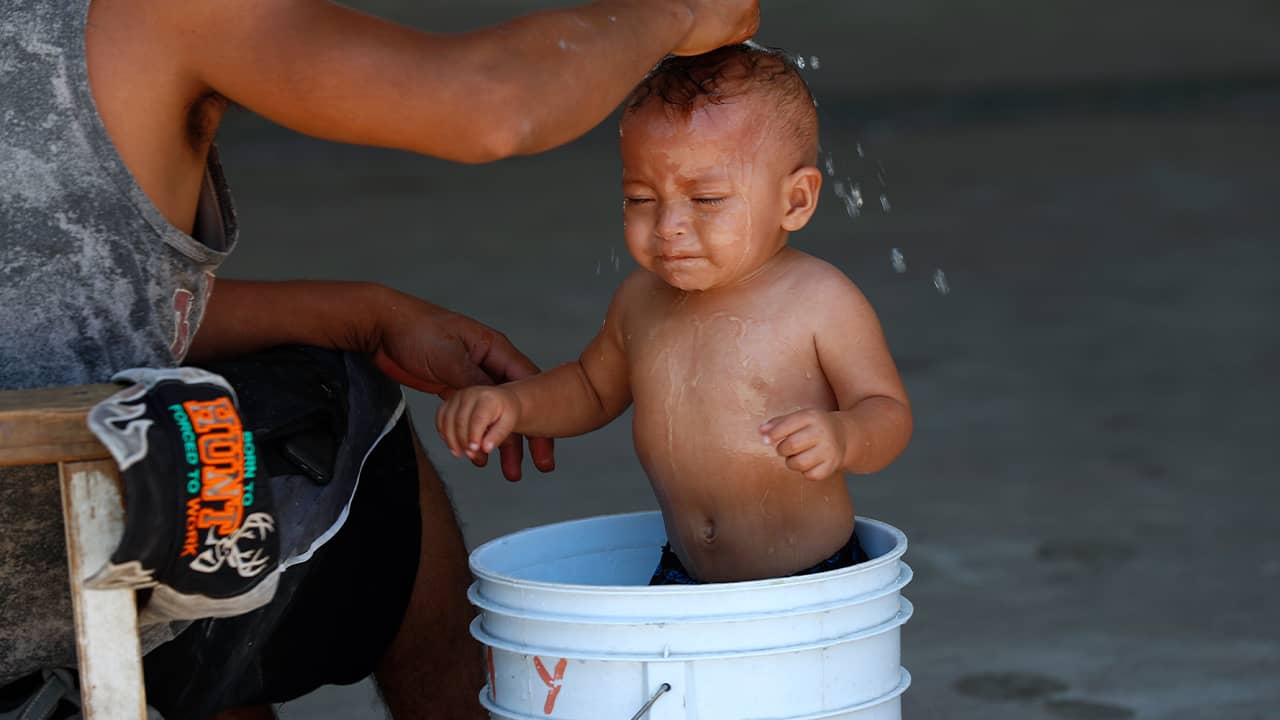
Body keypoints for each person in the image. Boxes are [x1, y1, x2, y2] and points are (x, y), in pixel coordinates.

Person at [0, 0, 760, 718]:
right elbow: (491, 101)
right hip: (47, 568)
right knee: (346, 424)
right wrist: (681, 13)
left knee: (205, 455)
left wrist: (368, 316)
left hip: (30, 469)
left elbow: (62, 319)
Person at [437, 45, 912, 585]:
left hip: (808, 580)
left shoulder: (819, 300)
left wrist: (845, 436)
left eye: (706, 199)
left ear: (795, 201)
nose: (668, 226)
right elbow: (592, 390)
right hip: (683, 572)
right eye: (641, 199)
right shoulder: (641, 300)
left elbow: (888, 412)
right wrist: (512, 405)